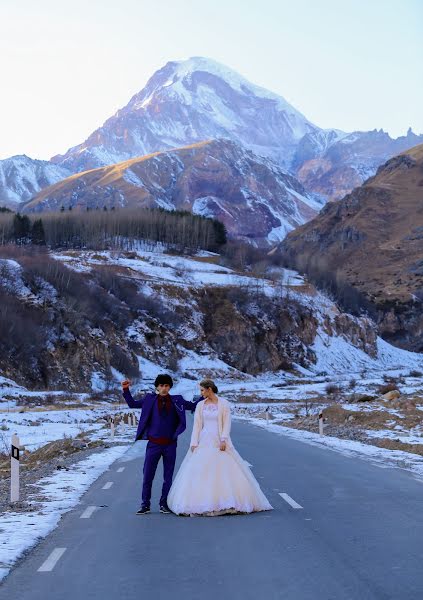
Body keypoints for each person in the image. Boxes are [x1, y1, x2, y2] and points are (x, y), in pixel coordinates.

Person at [167, 379, 273, 516]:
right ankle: (203, 501)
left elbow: (227, 423)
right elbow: (197, 425)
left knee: (225, 469)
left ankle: (227, 500)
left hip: (220, 440)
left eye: (202, 390)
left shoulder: (223, 404)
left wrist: (223, 439)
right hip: (204, 440)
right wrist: (194, 442)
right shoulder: (200, 405)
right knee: (202, 469)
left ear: (209, 389)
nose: (201, 393)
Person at [121, 374, 200, 515]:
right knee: (148, 475)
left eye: (166, 386)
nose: (164, 388)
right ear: (157, 387)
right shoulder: (149, 399)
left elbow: (194, 406)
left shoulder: (178, 400)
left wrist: (205, 394)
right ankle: (145, 504)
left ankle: (164, 504)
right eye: (161, 385)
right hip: (153, 445)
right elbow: (132, 404)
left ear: (170, 387)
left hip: (170, 445)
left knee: (168, 477)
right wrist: (126, 390)